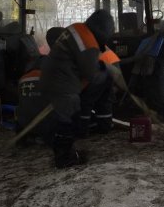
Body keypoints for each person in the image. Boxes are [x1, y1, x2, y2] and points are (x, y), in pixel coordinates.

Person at [40, 10, 115, 168]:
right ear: (103, 32)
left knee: (65, 117)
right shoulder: (89, 44)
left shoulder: (77, 28)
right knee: (68, 119)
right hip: (62, 81)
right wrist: (105, 68)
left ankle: (66, 153)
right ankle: (63, 158)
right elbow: (91, 75)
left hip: (50, 74)